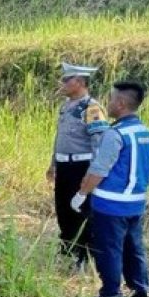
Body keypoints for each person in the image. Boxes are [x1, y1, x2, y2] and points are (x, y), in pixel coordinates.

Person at [72, 82, 149, 297]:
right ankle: (141, 294)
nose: (107, 104)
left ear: (120, 104)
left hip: (111, 205)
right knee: (134, 248)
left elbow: (99, 170)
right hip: (136, 203)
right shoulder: (145, 132)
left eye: (110, 99)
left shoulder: (114, 133)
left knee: (109, 251)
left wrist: (81, 194)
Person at [46, 62, 109, 272]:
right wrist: (53, 163)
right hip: (64, 166)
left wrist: (91, 174)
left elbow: (99, 144)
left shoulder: (91, 108)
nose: (63, 83)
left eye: (67, 79)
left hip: (81, 166)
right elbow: (59, 137)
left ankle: (82, 256)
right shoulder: (66, 106)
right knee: (63, 209)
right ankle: (67, 250)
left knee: (81, 211)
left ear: (80, 82)